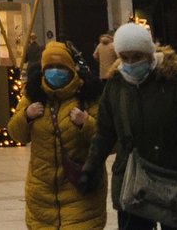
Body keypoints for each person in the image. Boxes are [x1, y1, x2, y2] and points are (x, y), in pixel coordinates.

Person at [80, 23, 177, 230]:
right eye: (125, 58)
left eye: (137, 56)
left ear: (149, 54)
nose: (131, 63)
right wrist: (90, 169)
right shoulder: (116, 85)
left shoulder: (174, 82)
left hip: (173, 176)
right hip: (132, 182)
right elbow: (104, 133)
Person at [8, 42, 106, 230]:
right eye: (50, 67)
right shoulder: (34, 96)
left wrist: (85, 123)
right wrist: (25, 116)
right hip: (42, 191)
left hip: (81, 189)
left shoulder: (88, 96)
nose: (55, 72)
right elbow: (16, 134)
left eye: (60, 67)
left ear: (71, 69)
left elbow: (109, 140)